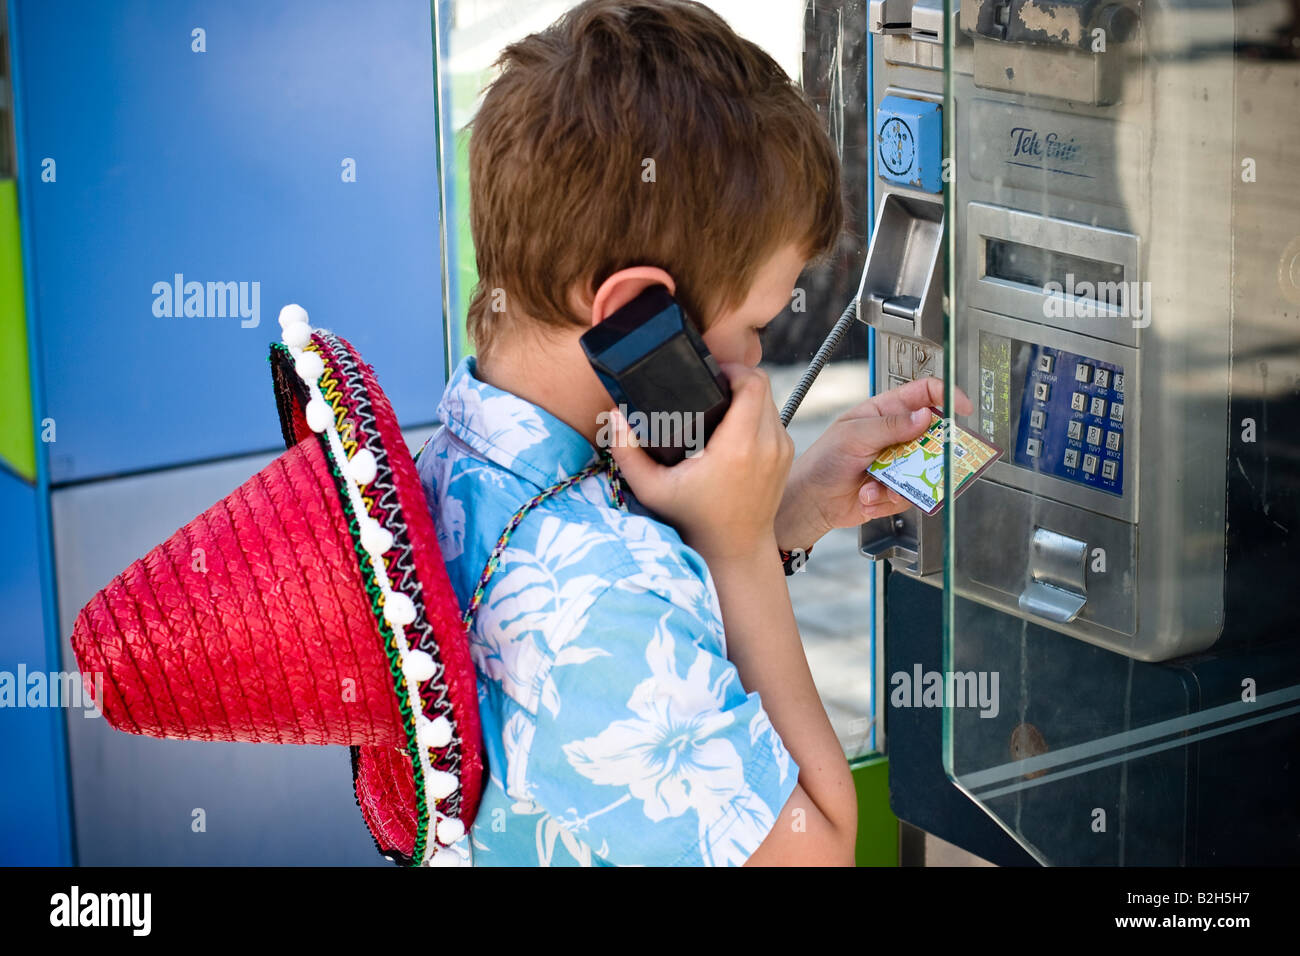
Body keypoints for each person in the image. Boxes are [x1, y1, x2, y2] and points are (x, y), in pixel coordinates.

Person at [418, 0, 970, 866]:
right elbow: (817, 850)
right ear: (634, 315)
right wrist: (743, 547)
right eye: (752, 327)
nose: (755, 360)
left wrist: (784, 513)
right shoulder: (604, 606)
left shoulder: (466, 453)